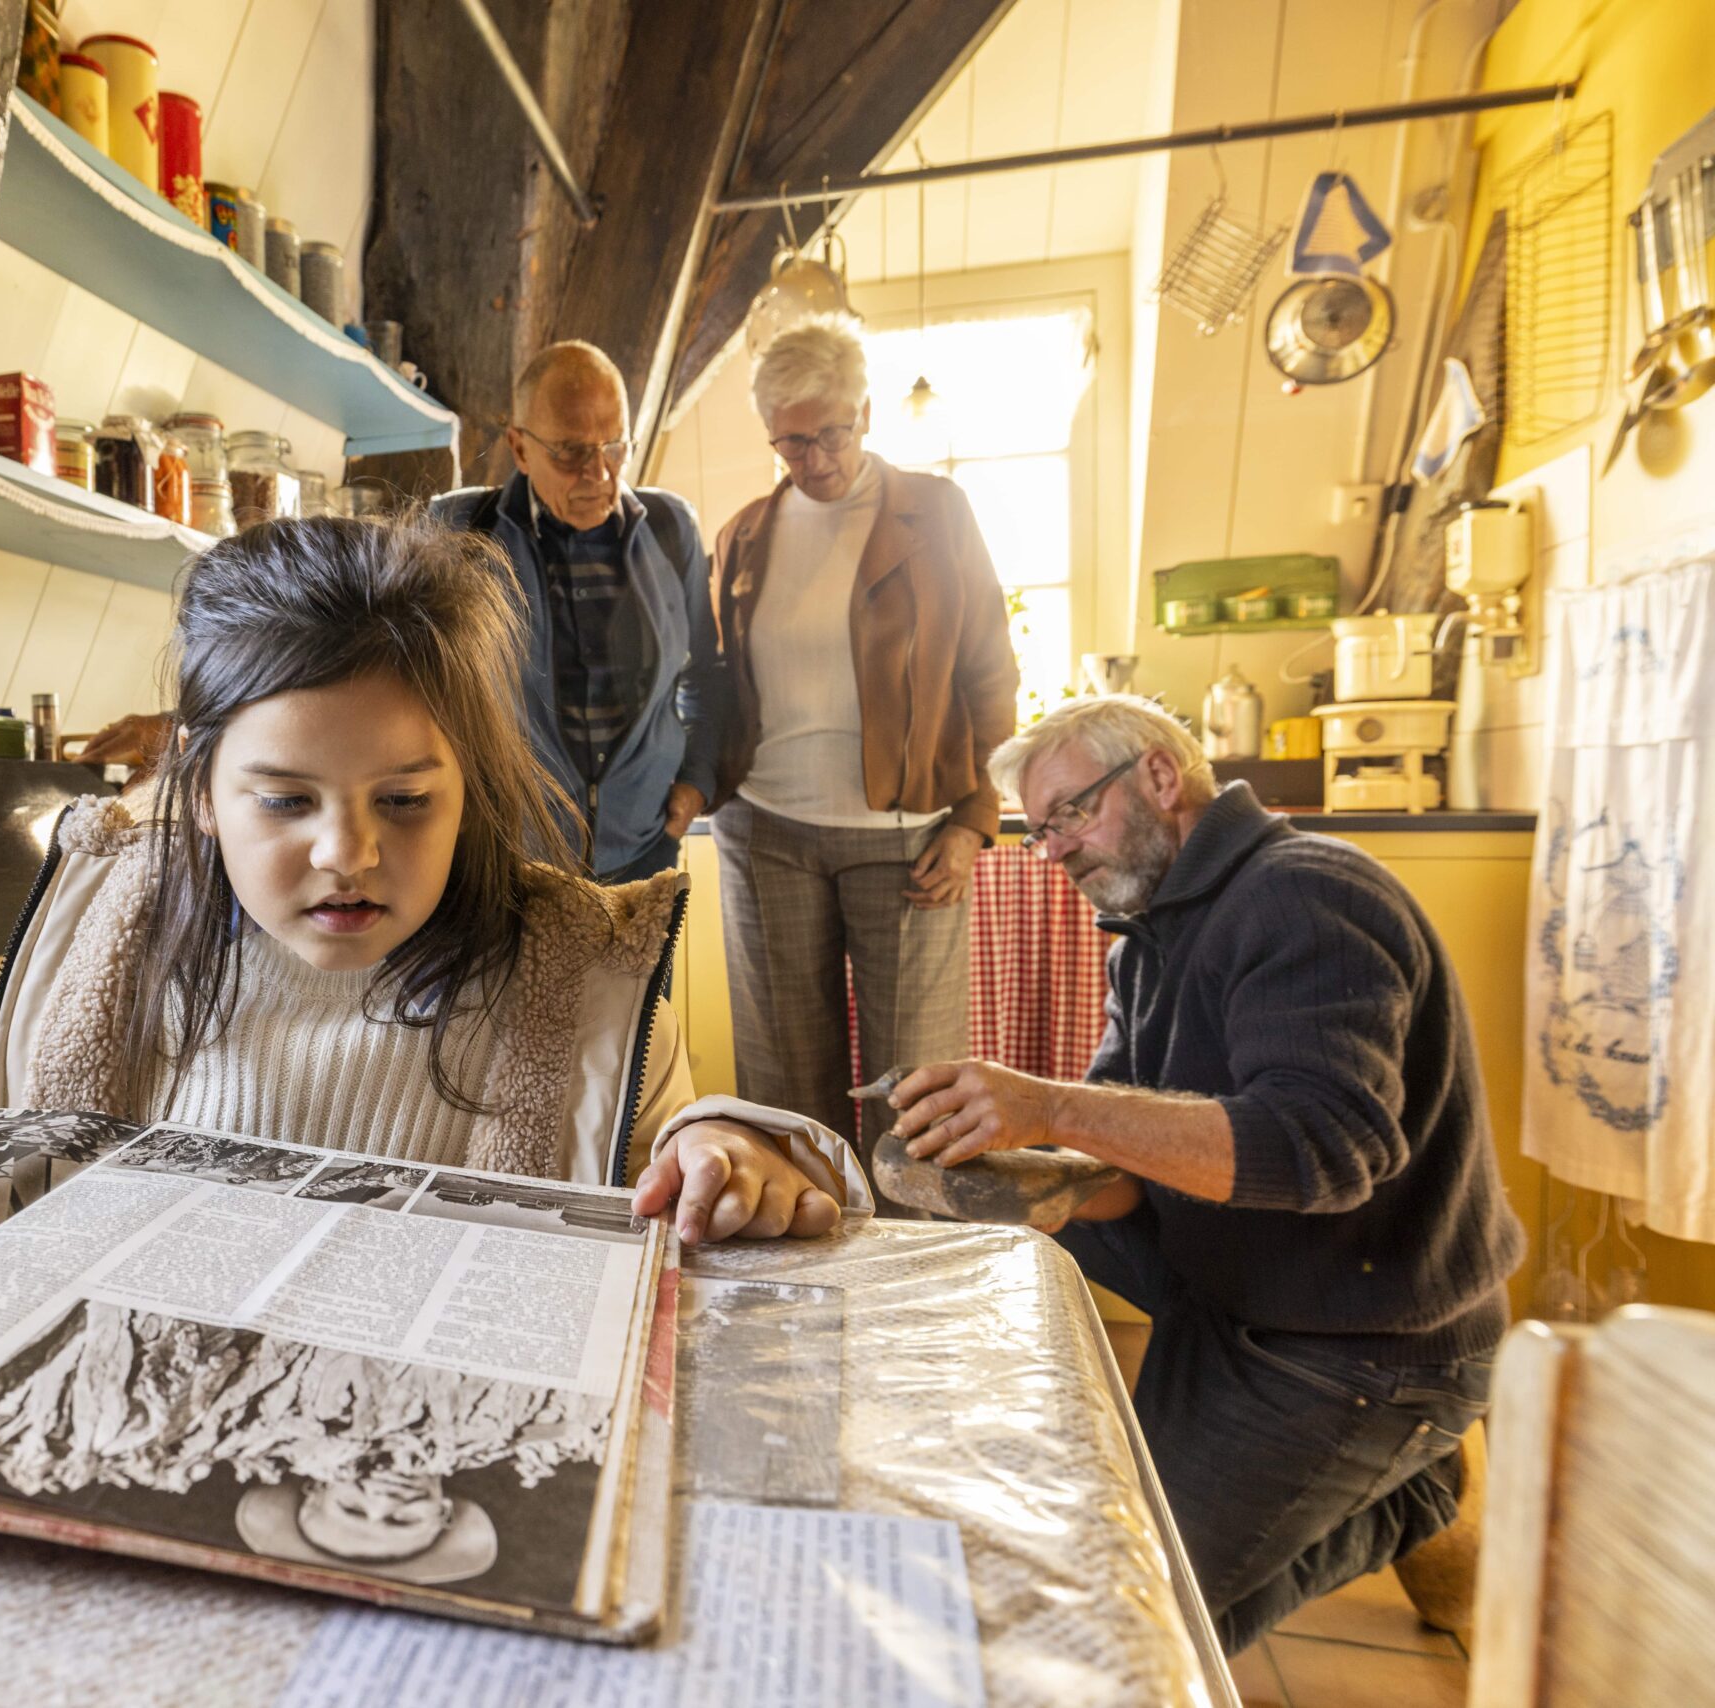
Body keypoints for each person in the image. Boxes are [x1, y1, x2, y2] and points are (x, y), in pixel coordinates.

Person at [0, 515, 868, 1247]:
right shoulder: (128, 934)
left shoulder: (566, 974)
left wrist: (729, 1143)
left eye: (405, 800)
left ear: (469, 786)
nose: (346, 852)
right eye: (285, 800)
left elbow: (672, 1141)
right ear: (202, 795)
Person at [883, 694, 1525, 1653]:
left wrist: (1050, 1106)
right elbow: (1119, 1169)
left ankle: (1420, 1469)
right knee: (1125, 1576)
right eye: (1038, 829)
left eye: (1069, 814)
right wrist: (992, 1169)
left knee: (1124, 1627)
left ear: (1158, 775)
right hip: (1233, 1299)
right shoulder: (1150, 934)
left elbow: (1322, 1149)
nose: (1051, 850)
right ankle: (1416, 1499)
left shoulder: (1306, 894)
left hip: (1359, 1343)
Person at [706, 314, 1017, 1155]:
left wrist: (973, 819)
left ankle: (911, 1276)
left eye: (831, 433)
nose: (816, 460)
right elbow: (717, 683)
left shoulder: (937, 515)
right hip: (766, 830)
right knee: (785, 1092)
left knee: (912, 1094)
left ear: (867, 413)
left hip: (907, 834)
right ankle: (803, 1266)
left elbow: (989, 669)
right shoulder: (744, 535)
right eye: (791, 443)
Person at [428, 342, 727, 882]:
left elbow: (703, 670)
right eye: (569, 451)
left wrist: (697, 777)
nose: (598, 474)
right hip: (509, 860)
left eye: (614, 446)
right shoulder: (460, 530)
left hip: (645, 850)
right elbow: (423, 689)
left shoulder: (669, 527)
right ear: (520, 448)